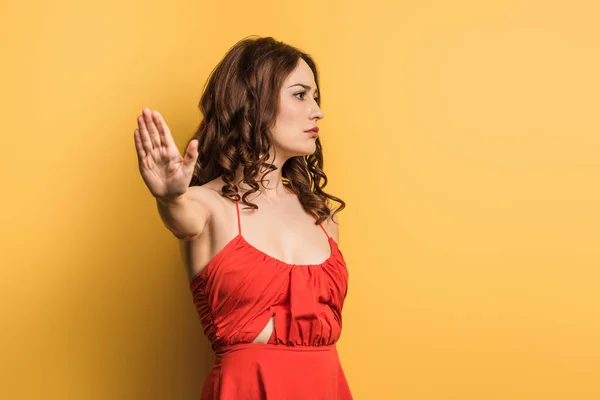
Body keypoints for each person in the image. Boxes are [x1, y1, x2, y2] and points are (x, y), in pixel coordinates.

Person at [133, 35, 352, 399]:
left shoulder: (322, 216)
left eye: (315, 97)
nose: (317, 111)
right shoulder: (206, 206)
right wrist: (170, 197)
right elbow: (179, 216)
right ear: (253, 104)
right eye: (300, 95)